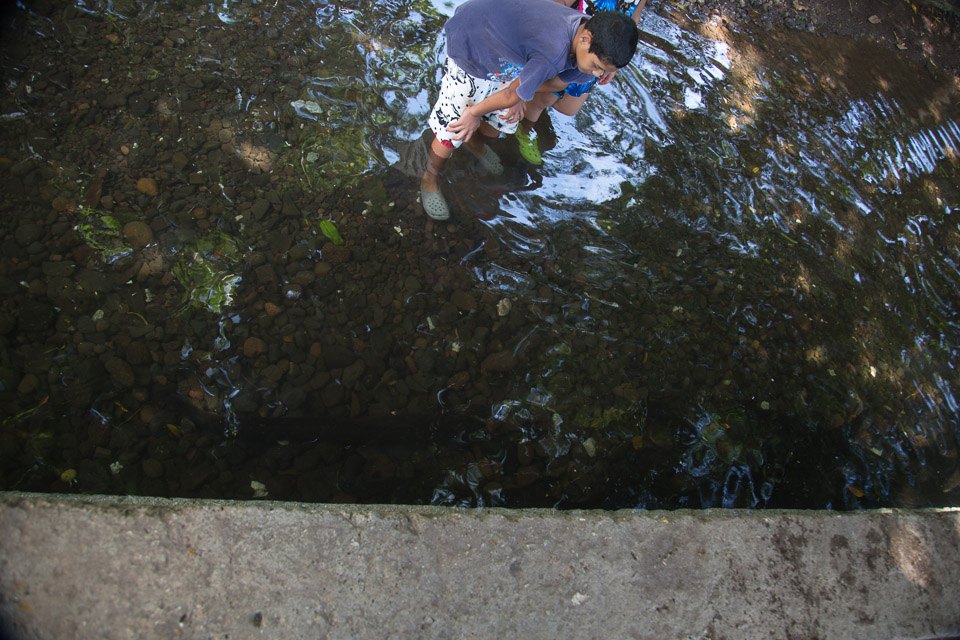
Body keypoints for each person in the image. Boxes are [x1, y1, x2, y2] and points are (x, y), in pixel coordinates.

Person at [420, 0, 639, 220]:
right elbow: (510, 94)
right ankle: (430, 177)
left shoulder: (590, 42)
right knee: (454, 129)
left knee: (503, 118)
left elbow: (555, 84)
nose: (595, 75)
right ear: (585, 39)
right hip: (471, 46)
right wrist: (473, 113)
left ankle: (475, 145)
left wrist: (523, 88)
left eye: (603, 72)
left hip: (506, 55)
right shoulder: (553, 51)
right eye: (596, 67)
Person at [514, 0, 647, 165]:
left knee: (569, 107)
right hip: (573, 43)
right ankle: (524, 128)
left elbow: (634, 19)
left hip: (603, 56)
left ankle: (528, 101)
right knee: (546, 96)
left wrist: (614, 66)